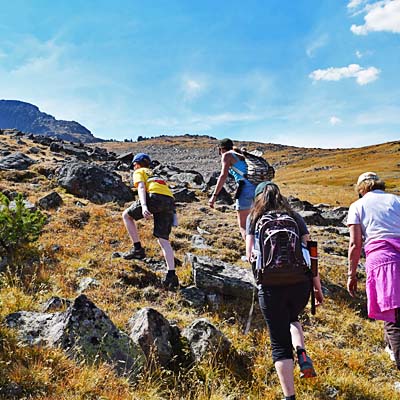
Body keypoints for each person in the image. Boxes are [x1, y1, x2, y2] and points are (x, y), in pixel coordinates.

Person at [246, 181, 323, 400]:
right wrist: (316, 287)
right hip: (300, 284)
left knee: (279, 343)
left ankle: (289, 396)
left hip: (270, 285)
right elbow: (312, 253)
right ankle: (301, 352)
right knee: (293, 318)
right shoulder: (295, 217)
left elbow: (249, 252)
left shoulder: (255, 218)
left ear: (259, 197)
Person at [347, 172, 400, 369]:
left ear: (361, 188)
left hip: (382, 261)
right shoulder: (396, 200)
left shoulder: (357, 206)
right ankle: (390, 348)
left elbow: (355, 243)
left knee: (392, 315)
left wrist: (352, 274)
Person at [121, 153, 179, 289]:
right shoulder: (156, 175)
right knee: (163, 239)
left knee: (126, 216)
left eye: (134, 165)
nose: (134, 167)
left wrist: (145, 206)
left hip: (154, 197)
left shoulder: (139, 171)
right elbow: (167, 194)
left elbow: (141, 187)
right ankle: (171, 275)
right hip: (169, 201)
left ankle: (137, 249)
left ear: (137, 164)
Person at [209, 138, 256, 240]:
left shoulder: (227, 155)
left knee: (244, 226)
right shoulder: (241, 155)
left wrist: (214, 196)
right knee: (256, 222)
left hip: (245, 189)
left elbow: (223, 176)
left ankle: (251, 254)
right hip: (258, 188)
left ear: (221, 149)